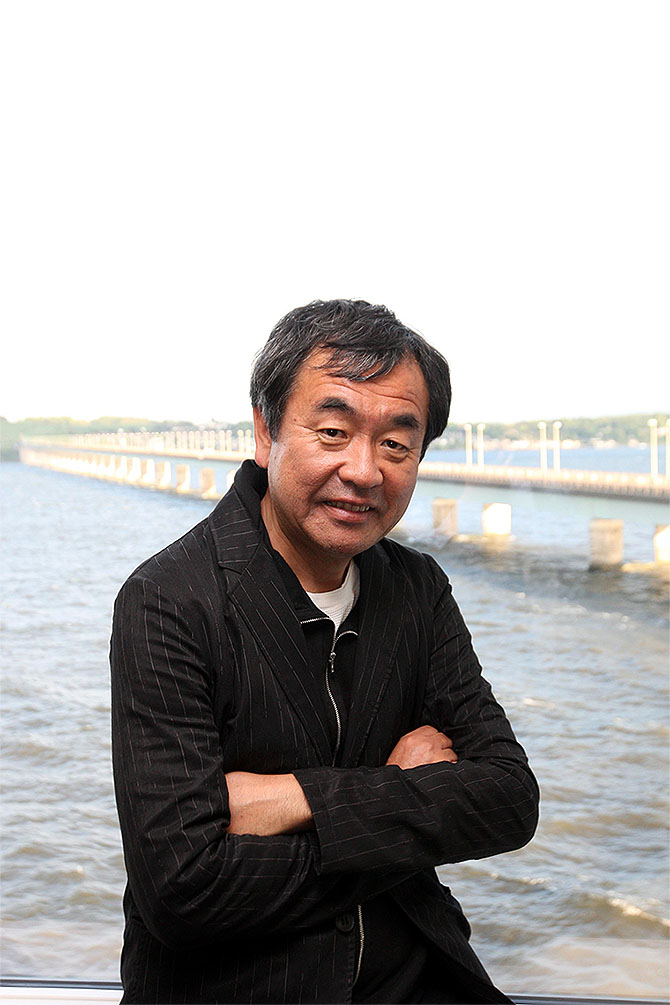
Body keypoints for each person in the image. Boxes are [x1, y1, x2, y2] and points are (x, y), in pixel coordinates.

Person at [111, 299, 539, 1004]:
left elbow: (507, 799)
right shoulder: (171, 599)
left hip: (414, 978)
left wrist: (293, 797)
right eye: (333, 432)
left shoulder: (417, 588)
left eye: (396, 444)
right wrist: (399, 792)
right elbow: (182, 888)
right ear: (266, 430)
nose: (364, 470)